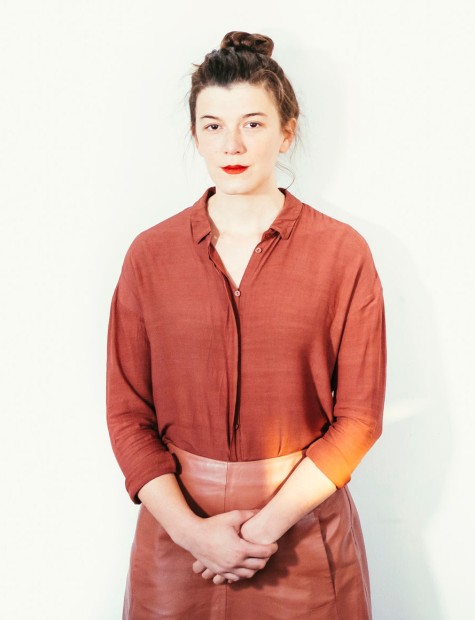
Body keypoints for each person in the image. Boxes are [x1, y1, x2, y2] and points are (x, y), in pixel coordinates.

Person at [106, 30, 387, 620]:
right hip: (177, 537)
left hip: (302, 531)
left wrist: (260, 531)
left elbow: (359, 420)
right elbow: (128, 416)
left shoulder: (343, 253)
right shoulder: (149, 256)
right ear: (195, 134)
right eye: (213, 125)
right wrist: (193, 533)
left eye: (253, 124)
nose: (231, 144)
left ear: (287, 131)